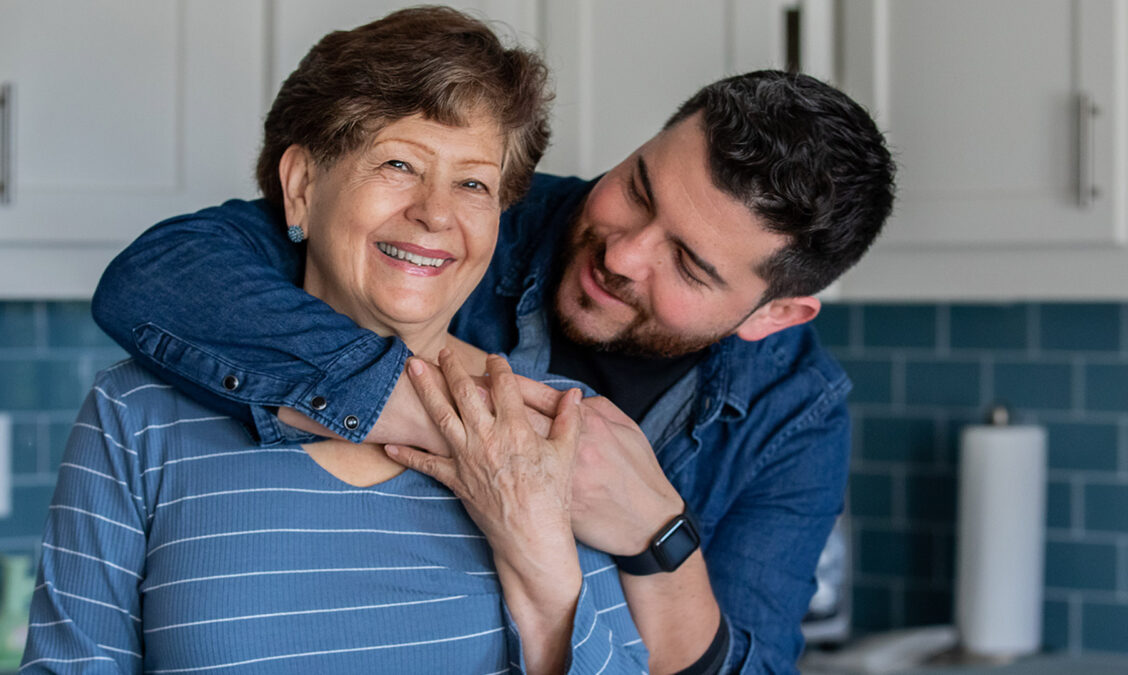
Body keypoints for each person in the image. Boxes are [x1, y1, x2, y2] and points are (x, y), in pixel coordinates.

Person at [93, 58, 897, 674]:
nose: (622, 252)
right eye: (640, 189)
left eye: (688, 263)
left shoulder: (796, 410)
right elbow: (161, 277)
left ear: (772, 314)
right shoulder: (476, 211)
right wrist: (466, 422)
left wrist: (656, 535)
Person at [22, 8, 649, 674]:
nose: (436, 211)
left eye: (472, 183)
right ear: (301, 188)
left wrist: (544, 567)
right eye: (399, 164)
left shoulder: (552, 424)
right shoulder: (138, 413)